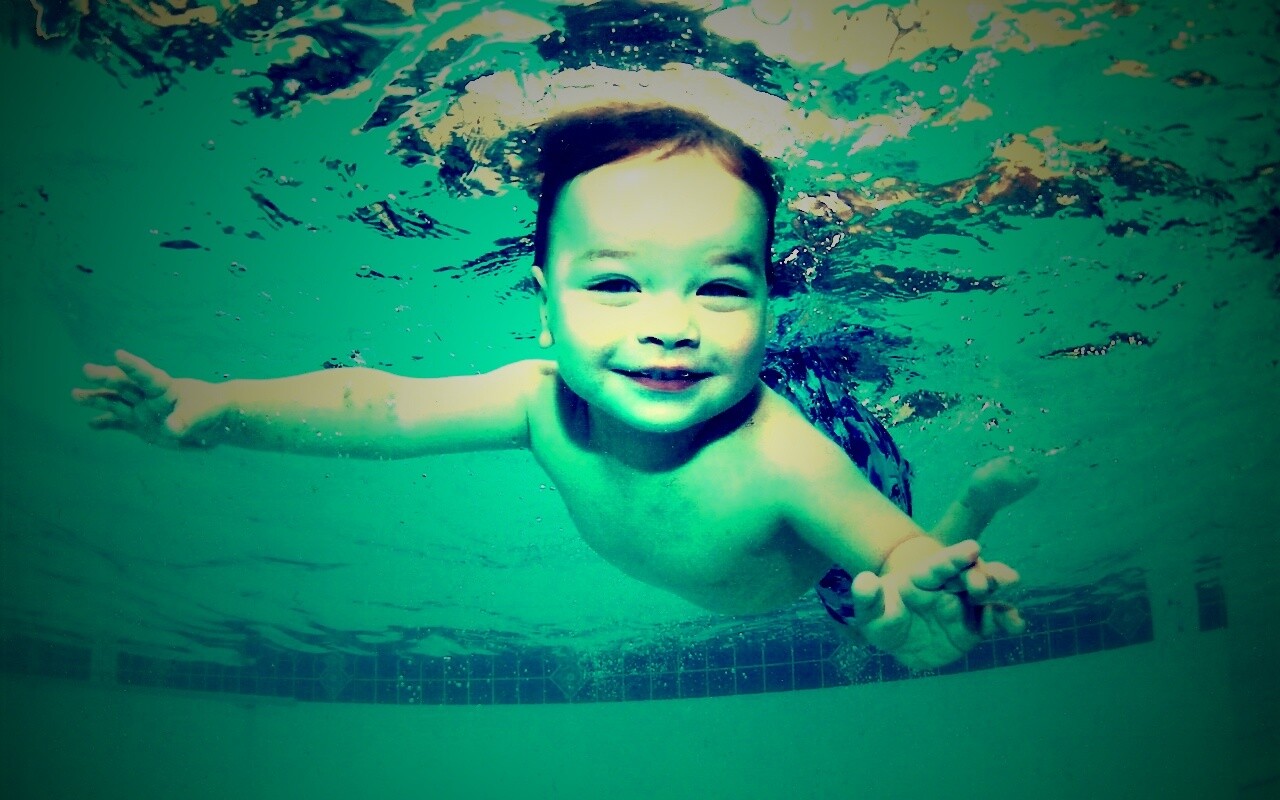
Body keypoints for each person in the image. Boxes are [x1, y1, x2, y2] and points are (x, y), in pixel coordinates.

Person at [72, 104, 1037, 670]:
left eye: (719, 286)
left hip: (824, 535)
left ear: (767, 300)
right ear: (543, 305)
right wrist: (222, 407)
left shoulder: (780, 453)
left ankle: (953, 531)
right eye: (615, 283)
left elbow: (888, 549)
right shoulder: (541, 402)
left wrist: (920, 576)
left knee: (873, 611)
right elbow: (384, 405)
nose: (671, 323)